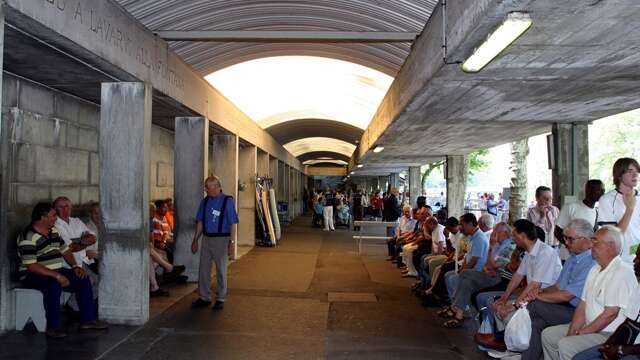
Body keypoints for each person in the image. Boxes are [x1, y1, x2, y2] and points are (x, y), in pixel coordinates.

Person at [542, 226, 640, 360]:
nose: (591, 245)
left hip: (607, 333)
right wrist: (572, 330)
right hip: (589, 327)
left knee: (567, 344)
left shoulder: (622, 272)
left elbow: (610, 314)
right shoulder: (594, 269)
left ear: (611, 246)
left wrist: (582, 333)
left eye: (596, 242)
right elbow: (583, 304)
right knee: (549, 335)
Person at [18, 202, 107, 338]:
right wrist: (57, 276)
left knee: (83, 279)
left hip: (55, 271)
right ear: (43, 218)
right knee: (53, 285)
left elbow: (65, 251)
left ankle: (87, 320)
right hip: (32, 275)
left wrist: (75, 267)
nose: (56, 218)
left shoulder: (53, 231)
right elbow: (32, 266)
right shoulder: (28, 236)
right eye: (53, 215)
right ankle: (53, 327)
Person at [475, 219, 562, 348]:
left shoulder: (546, 253)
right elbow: (517, 276)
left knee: (506, 311)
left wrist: (513, 306)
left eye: (514, 235)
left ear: (522, 236)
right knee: (498, 305)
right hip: (530, 295)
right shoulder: (529, 252)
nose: (512, 238)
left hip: (543, 298)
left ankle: (511, 344)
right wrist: (504, 298)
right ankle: (506, 343)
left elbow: (534, 285)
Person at [520, 219, 596, 360]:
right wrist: (538, 292)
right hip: (562, 307)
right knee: (536, 323)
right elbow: (557, 287)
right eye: (565, 238)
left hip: (578, 313)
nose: (566, 242)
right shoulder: (573, 258)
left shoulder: (592, 262)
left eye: (570, 239)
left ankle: (505, 335)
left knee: (534, 305)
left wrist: (536, 296)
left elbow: (567, 295)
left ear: (586, 240)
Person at [439, 222, 514, 328]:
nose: (493, 235)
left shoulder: (510, 246)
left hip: (499, 279)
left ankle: (455, 307)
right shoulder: (499, 244)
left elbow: (491, 265)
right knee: (466, 281)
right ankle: (459, 316)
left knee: (464, 274)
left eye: (496, 232)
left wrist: (492, 247)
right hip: (490, 274)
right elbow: (488, 265)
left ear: (505, 233)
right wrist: (489, 266)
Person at [572, 245, 640, 360]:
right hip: (629, 344)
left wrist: (621, 350)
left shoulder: (622, 272)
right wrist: (609, 345)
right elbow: (629, 323)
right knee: (580, 358)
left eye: (639, 257)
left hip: (635, 351)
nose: (634, 260)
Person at [191, 175, 239, 310]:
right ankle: (204, 297)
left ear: (217, 187)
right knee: (204, 269)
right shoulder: (205, 201)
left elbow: (233, 223)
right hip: (206, 238)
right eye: (205, 186)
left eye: (207, 187)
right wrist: (195, 240)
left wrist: (232, 242)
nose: (205, 189)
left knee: (221, 269)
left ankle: (220, 298)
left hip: (221, 239)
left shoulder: (227, 201)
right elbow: (200, 221)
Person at [53, 197, 99, 311]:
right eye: (61, 207)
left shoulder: (76, 221)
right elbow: (69, 248)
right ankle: (78, 310)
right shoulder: (55, 225)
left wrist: (77, 241)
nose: (64, 209)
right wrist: (83, 241)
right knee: (88, 281)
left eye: (67, 206)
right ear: (55, 209)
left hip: (82, 261)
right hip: (66, 265)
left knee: (101, 280)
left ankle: (73, 305)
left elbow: (93, 237)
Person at [596, 158, 640, 264]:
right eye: (630, 171)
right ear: (619, 175)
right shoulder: (607, 200)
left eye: (637, 171)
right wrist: (629, 209)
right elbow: (612, 236)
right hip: (620, 261)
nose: (635, 175)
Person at [554, 180, 605, 259]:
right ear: (588, 191)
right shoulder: (571, 207)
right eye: (599, 190)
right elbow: (557, 231)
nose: (602, 193)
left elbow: (593, 236)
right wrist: (570, 246)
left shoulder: (596, 212)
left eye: (603, 190)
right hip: (567, 257)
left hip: (584, 258)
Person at [84, 202, 101, 275]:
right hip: (92, 261)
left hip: (102, 258)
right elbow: (88, 253)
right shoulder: (86, 229)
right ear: (90, 214)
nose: (99, 216)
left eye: (100, 213)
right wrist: (105, 257)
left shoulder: (106, 228)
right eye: (96, 213)